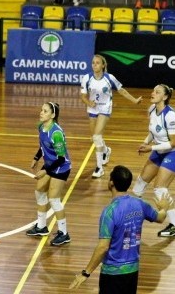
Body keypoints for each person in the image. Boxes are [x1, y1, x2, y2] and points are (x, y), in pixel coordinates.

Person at [69, 165, 172, 293]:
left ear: (111, 183)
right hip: (132, 271)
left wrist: (86, 273)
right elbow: (160, 217)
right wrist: (164, 208)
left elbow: (103, 247)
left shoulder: (110, 212)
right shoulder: (139, 204)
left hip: (112, 273)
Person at [80, 54, 143, 179]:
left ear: (103, 65)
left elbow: (122, 90)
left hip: (105, 108)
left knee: (97, 137)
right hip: (92, 108)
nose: (94, 65)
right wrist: (89, 102)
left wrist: (135, 100)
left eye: (97, 63)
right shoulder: (87, 77)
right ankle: (106, 150)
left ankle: (99, 168)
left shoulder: (109, 78)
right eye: (93, 62)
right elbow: (82, 96)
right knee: (95, 138)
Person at [26, 102, 72, 246]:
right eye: (41, 110)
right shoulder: (41, 127)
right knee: (39, 191)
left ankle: (64, 233)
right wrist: (35, 158)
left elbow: (61, 158)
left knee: (53, 199)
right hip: (50, 164)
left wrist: (45, 171)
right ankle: (41, 226)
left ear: (53, 115)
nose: (41, 113)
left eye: (45, 111)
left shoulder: (56, 133)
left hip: (61, 167)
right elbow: (42, 145)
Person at [132, 84, 175, 238]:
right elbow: (152, 131)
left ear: (164, 97)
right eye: (153, 91)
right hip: (158, 150)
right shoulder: (151, 109)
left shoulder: (170, 116)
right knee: (139, 185)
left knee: (160, 189)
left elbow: (173, 143)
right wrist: (146, 142)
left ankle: (174, 224)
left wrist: (151, 148)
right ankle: (134, 216)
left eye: (157, 92)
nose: (152, 93)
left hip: (172, 152)